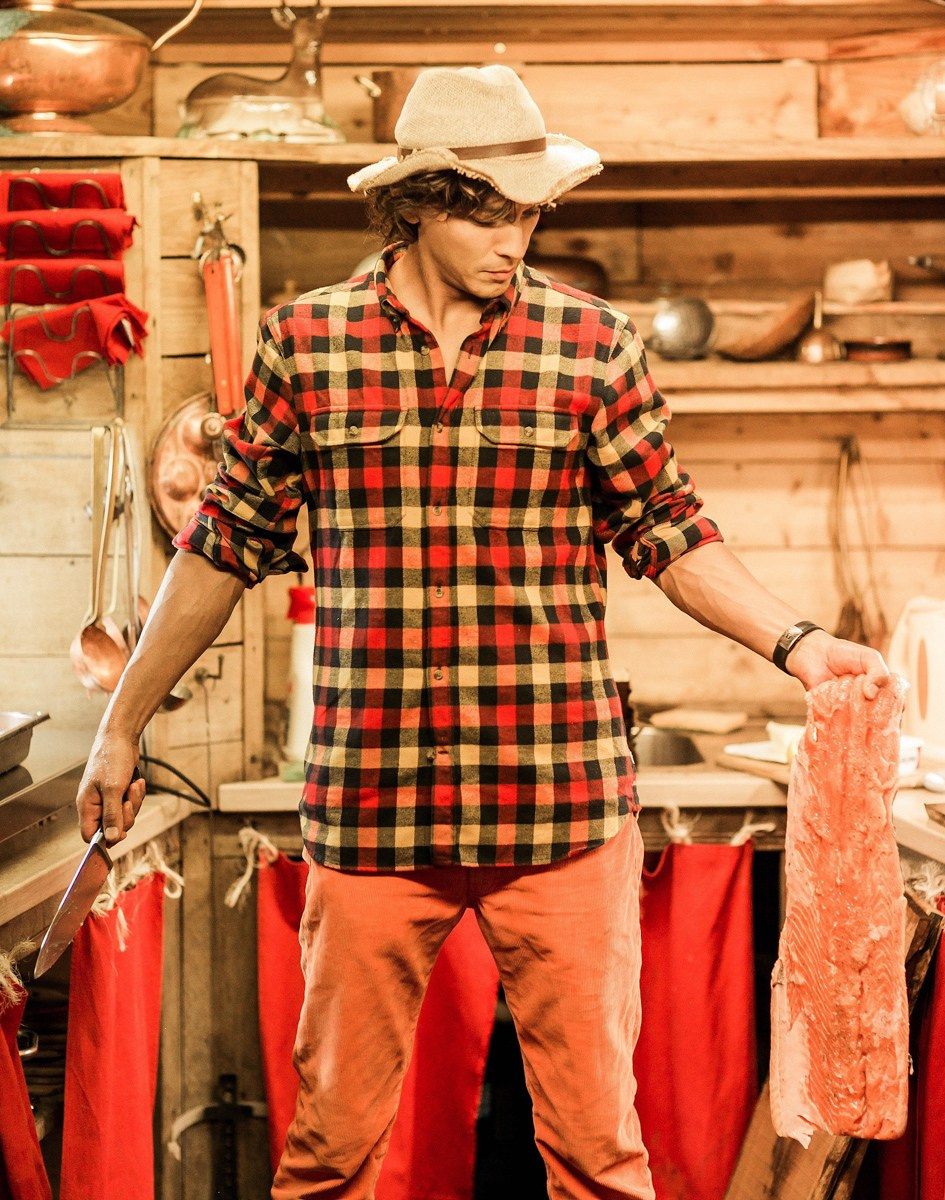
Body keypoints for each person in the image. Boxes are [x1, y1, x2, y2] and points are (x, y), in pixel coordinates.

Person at [77, 65, 889, 1200]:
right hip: (373, 807)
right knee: (328, 1154)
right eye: (489, 209)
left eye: (531, 209)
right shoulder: (303, 345)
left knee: (602, 1157)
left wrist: (800, 644)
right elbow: (221, 549)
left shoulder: (591, 346)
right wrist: (121, 727)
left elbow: (669, 528)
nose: (518, 235)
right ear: (416, 203)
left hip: (559, 803)